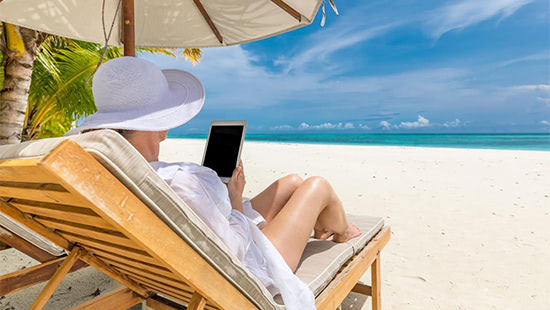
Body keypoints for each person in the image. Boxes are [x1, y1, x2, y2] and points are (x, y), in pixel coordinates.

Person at [70, 57, 360, 309]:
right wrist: (234, 201)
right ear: (159, 125)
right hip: (245, 271)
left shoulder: (110, 174)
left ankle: (321, 224)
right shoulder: (181, 181)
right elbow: (231, 251)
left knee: (292, 182)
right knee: (317, 185)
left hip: (182, 258)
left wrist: (223, 201)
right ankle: (342, 231)